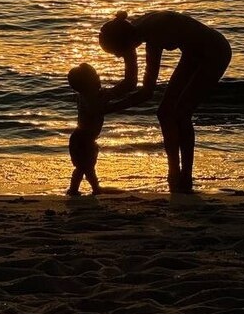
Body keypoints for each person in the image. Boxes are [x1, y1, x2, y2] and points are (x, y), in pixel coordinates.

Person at [98, 10, 232, 194]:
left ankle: (185, 176)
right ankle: (173, 171)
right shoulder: (129, 30)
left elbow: (147, 92)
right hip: (192, 53)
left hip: (216, 52)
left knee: (182, 113)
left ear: (127, 44)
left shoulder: (153, 35)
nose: (118, 58)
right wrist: (107, 95)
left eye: (118, 53)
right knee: (164, 113)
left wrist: (110, 109)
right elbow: (130, 81)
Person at [65, 62, 130, 196]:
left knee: (86, 167)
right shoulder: (88, 98)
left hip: (83, 138)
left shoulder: (85, 96)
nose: (98, 78)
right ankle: (82, 189)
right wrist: (108, 101)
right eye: (95, 77)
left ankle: (88, 188)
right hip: (83, 140)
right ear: (87, 84)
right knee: (85, 167)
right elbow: (96, 110)